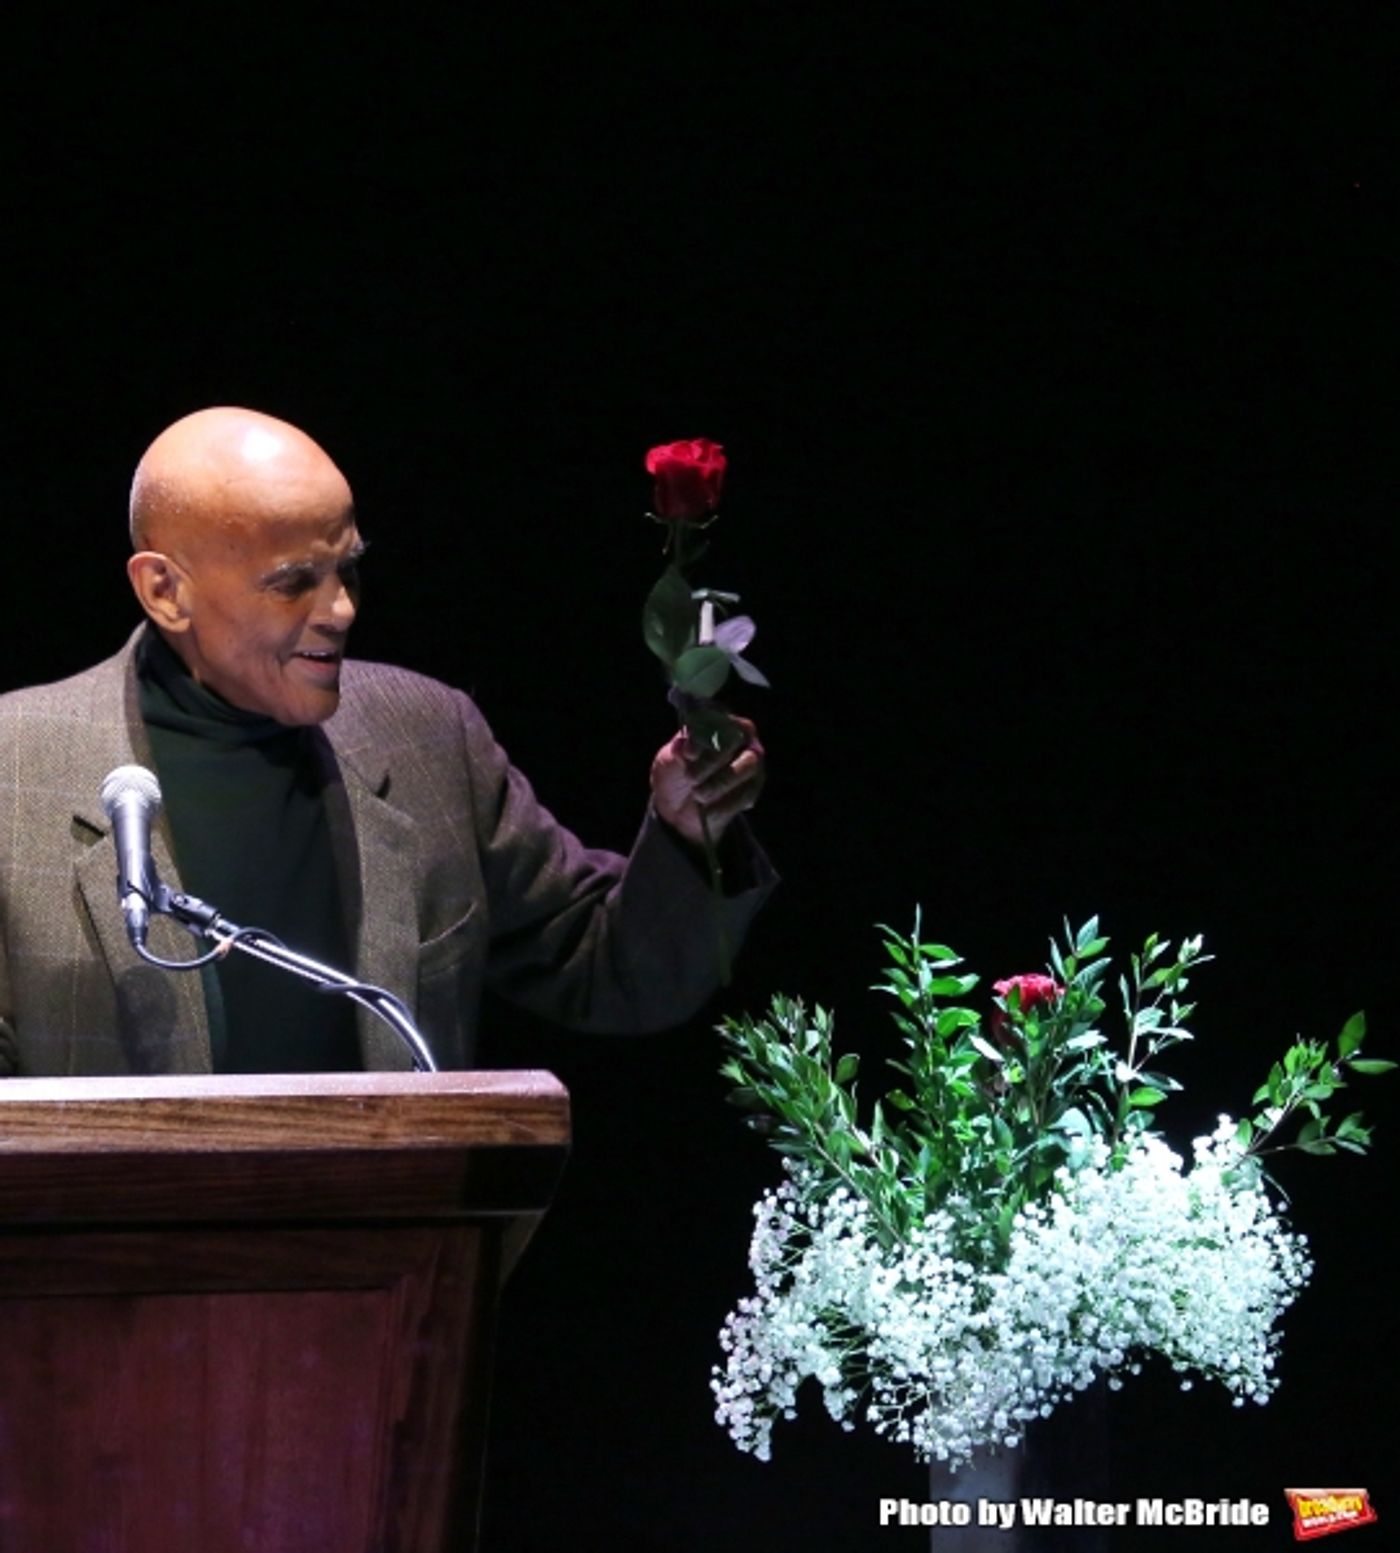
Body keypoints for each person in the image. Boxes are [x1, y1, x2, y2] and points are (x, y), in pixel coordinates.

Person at [0, 408, 772, 1076]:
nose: (339, 608)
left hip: (393, 1245)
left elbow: (610, 969)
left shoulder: (427, 735)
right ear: (166, 590)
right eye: (294, 580)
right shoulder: (16, 769)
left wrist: (683, 832)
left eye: (349, 570)